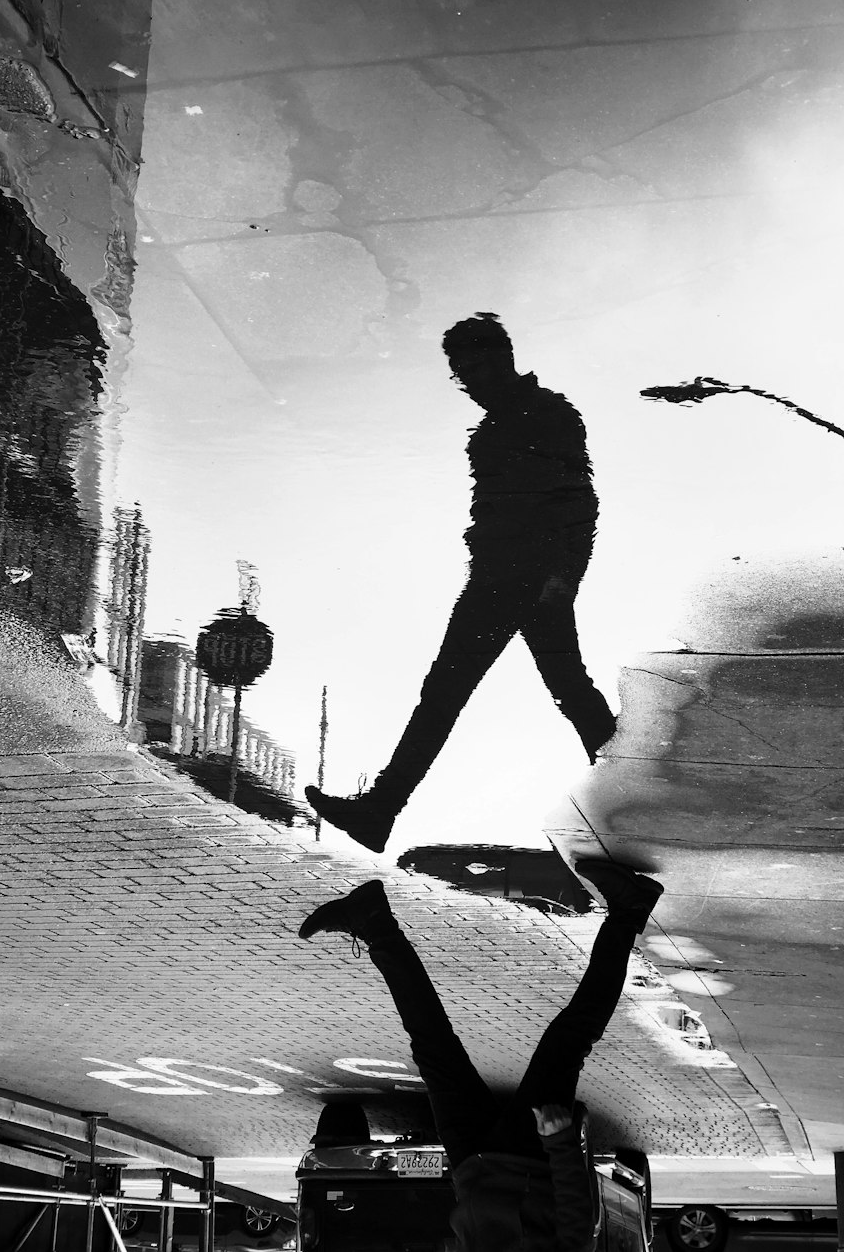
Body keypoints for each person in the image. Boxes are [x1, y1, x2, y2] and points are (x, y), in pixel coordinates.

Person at [305, 312, 615, 852]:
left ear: (499, 361)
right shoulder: (500, 425)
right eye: (457, 373)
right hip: (502, 579)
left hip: (525, 582)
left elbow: (579, 503)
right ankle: (640, 804)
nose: (465, 383)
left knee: (472, 694)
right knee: (553, 693)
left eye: (469, 369)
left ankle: (380, 810)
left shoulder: (546, 414)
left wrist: (563, 578)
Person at [298, 856, 664, 1252]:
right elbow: (577, 1235)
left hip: (472, 1165)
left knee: (431, 1045)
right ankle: (629, 910)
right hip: (530, 1155)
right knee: (570, 1037)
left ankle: (373, 921)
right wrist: (559, 1144)